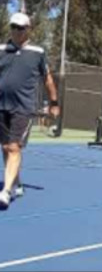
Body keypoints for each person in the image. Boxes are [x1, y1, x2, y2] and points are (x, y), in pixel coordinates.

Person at [0, 12, 60, 209]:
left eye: (20, 28)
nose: (16, 31)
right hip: (2, 106)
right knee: (5, 147)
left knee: (14, 147)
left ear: (28, 29)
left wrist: (53, 102)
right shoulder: (1, 49)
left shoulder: (38, 52)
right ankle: (15, 183)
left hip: (23, 108)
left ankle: (6, 191)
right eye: (13, 27)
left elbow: (47, 79)